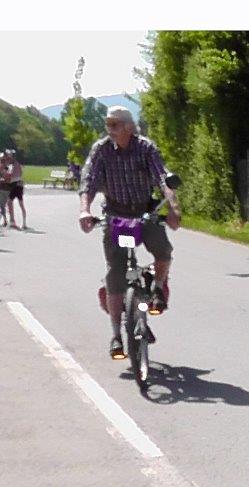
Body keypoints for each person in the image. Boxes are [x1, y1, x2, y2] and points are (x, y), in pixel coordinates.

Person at [78, 106, 181, 360]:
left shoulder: (145, 147)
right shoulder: (101, 150)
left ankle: (158, 287)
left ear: (128, 127)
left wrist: (173, 208)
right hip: (116, 215)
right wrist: (84, 210)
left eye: (114, 125)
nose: (109, 130)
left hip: (144, 212)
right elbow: (89, 180)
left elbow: (162, 178)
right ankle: (116, 335)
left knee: (163, 251)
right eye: (107, 124)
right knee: (115, 272)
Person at [3, 149, 25, 229]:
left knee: (18, 203)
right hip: (15, 184)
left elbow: (10, 175)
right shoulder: (11, 164)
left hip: (16, 185)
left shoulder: (13, 164)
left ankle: (20, 222)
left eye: (10, 155)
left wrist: (5, 175)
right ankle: (13, 221)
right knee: (10, 202)